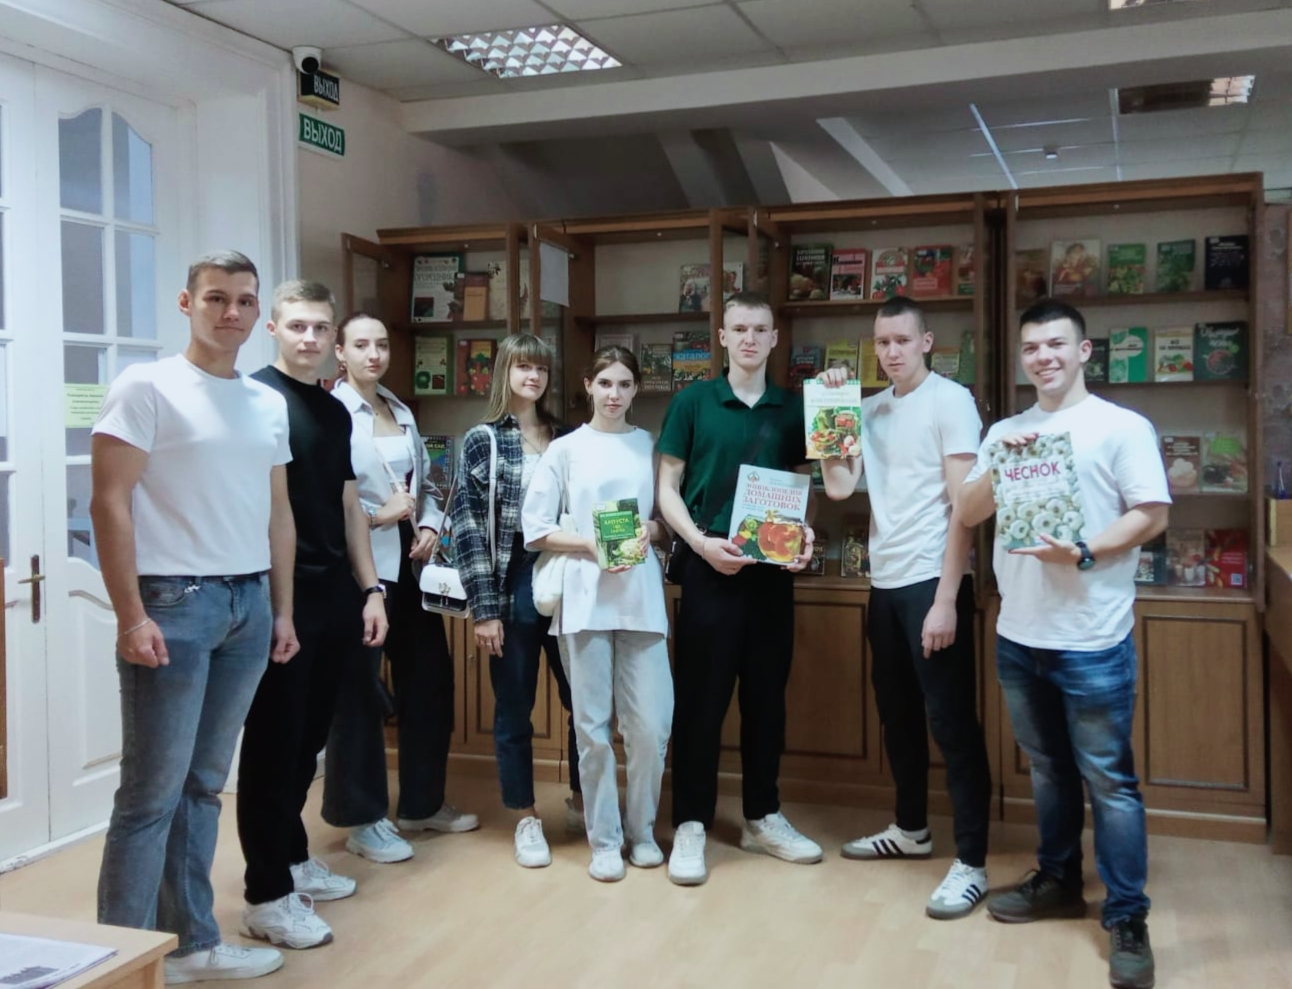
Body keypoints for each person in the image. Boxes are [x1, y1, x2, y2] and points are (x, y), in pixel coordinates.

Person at [92, 250, 293, 984]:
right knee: (150, 794)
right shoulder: (146, 386)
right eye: (215, 298)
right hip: (172, 603)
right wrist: (130, 614)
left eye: (244, 300)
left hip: (247, 604)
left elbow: (277, 512)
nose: (230, 312)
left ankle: (190, 944)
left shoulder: (266, 403)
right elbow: (109, 501)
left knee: (204, 785)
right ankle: (121, 965)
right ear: (187, 303)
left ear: (257, 311)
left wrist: (281, 609)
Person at [955, 299, 1168, 989]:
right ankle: (1058, 879)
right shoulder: (1006, 431)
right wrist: (997, 464)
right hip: (1019, 633)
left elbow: (1152, 513)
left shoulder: (1121, 426)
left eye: (1055, 345)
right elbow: (966, 511)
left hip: (1093, 637)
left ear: (1083, 351)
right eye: (1031, 348)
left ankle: (1127, 915)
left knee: (1110, 781)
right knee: (1048, 769)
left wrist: (1083, 550)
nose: (1043, 357)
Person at [818, 296, 992, 920]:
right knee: (897, 716)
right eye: (882, 343)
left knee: (951, 721)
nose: (891, 352)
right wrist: (832, 412)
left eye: (901, 340)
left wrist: (947, 599)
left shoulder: (952, 401)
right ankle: (911, 828)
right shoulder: (868, 409)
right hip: (884, 582)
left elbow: (964, 508)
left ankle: (972, 861)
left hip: (932, 582)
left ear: (926, 342)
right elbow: (839, 486)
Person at [235, 281, 389, 951]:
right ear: (273, 328)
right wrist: (281, 607)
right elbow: (264, 509)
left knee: (309, 742)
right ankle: (266, 894)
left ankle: (292, 857)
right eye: (297, 325)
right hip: (282, 595)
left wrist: (371, 588)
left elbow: (349, 503)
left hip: (335, 595)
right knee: (274, 743)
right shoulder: (253, 400)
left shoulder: (332, 410)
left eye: (320, 328)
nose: (310, 338)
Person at [656, 290, 821, 887]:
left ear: (775, 338)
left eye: (760, 329)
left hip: (772, 573)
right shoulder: (693, 402)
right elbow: (667, 488)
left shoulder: (793, 408)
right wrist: (700, 544)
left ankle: (761, 816)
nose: (750, 338)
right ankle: (691, 822)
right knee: (700, 702)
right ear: (722, 337)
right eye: (739, 329)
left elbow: (806, 488)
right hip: (710, 567)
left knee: (767, 701)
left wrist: (805, 537)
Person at [322, 314, 478, 864]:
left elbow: (427, 482)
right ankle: (361, 819)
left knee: (430, 683)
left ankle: (421, 803)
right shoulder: (334, 412)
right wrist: (377, 516)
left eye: (382, 345)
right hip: (362, 574)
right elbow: (327, 501)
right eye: (361, 345)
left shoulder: (400, 409)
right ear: (340, 352)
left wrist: (430, 524)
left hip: (412, 571)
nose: (374, 354)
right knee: (359, 697)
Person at [522, 347, 673, 882]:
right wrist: (590, 544)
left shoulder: (650, 446)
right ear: (588, 385)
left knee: (651, 725)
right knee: (591, 727)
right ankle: (604, 839)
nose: (614, 394)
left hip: (641, 599)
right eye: (605, 383)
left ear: (636, 389)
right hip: (584, 599)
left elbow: (668, 520)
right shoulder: (565, 450)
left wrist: (648, 530)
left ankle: (642, 831)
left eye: (625, 384)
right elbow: (536, 528)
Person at [449, 333, 582, 869]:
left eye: (542, 369)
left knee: (584, 700)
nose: (534, 377)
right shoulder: (483, 439)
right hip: (510, 582)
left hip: (568, 575)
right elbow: (466, 527)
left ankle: (583, 800)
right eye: (524, 367)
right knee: (514, 706)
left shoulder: (567, 436)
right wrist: (485, 610)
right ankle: (525, 815)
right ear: (504, 371)